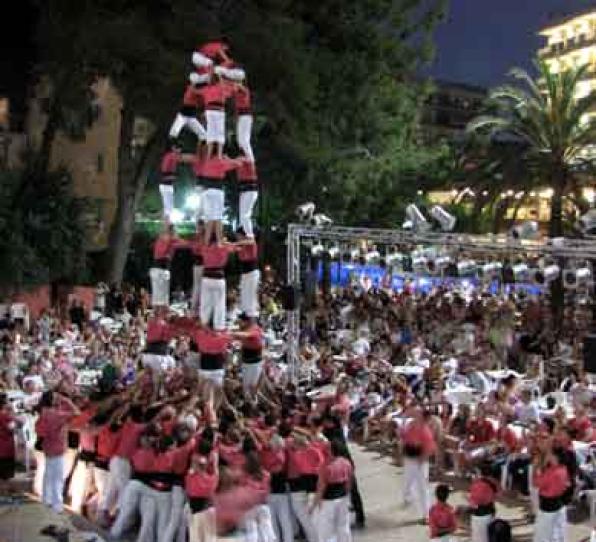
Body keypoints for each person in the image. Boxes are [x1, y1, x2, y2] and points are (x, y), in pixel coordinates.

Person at [35, 390, 80, 513]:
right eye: (56, 397)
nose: (59, 399)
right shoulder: (57, 415)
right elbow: (77, 413)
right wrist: (68, 401)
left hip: (48, 447)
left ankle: (46, 500)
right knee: (57, 478)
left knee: (48, 475)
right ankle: (57, 505)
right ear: (52, 400)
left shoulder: (44, 413)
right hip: (57, 448)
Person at [312, 439, 353, 542]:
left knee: (327, 530)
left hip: (328, 500)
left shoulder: (325, 466)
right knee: (343, 526)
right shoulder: (346, 462)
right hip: (343, 497)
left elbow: (321, 486)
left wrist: (314, 504)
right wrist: (347, 497)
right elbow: (349, 482)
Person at [401, 408, 436, 522]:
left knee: (422, 487)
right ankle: (408, 498)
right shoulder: (411, 425)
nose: (416, 416)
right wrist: (404, 420)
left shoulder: (425, 431)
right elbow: (404, 437)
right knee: (407, 481)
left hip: (419, 461)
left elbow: (429, 448)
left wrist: (421, 461)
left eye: (418, 415)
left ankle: (426, 514)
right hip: (409, 458)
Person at [533, 448, 570, 542]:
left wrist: (537, 471)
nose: (548, 456)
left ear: (555, 458)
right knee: (557, 531)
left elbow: (537, 483)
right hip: (559, 502)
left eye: (551, 455)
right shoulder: (564, 468)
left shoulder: (551, 472)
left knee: (544, 534)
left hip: (547, 505)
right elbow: (566, 484)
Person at [186, 440, 219, 542]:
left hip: (195, 511)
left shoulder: (189, 477)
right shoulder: (213, 478)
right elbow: (215, 469)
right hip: (208, 510)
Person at [231, 313, 264, 396]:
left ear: (246, 321)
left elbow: (246, 335)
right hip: (246, 363)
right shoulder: (243, 329)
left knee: (252, 388)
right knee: (246, 388)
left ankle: (254, 403)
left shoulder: (255, 329)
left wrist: (230, 333)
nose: (239, 323)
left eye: (240, 321)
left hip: (255, 364)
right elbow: (242, 345)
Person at [468, 463, 499, 542]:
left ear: (481, 473)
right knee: (487, 536)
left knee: (476, 537)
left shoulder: (475, 483)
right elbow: (497, 495)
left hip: (475, 514)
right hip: (488, 512)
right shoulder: (493, 483)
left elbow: (472, 498)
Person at [236, 228, 260, 317]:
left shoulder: (251, 243)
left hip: (252, 271)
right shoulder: (241, 246)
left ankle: (253, 318)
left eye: (238, 235)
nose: (237, 237)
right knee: (244, 294)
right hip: (245, 272)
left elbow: (250, 241)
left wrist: (238, 243)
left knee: (251, 295)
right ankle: (245, 315)